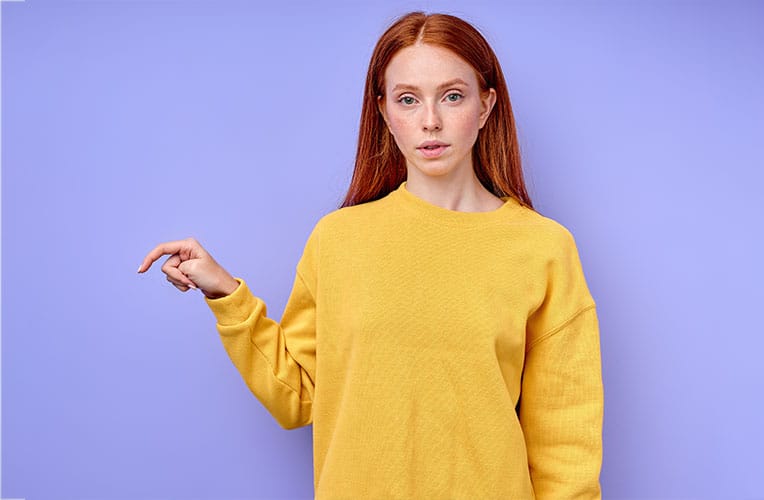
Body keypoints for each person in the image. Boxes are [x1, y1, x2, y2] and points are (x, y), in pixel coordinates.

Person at [138, 11, 603, 499]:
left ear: (486, 105)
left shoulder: (543, 248)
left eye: (452, 96)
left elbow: (565, 445)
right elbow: (296, 396)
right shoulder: (338, 240)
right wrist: (224, 292)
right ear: (383, 111)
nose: (430, 121)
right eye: (408, 99)